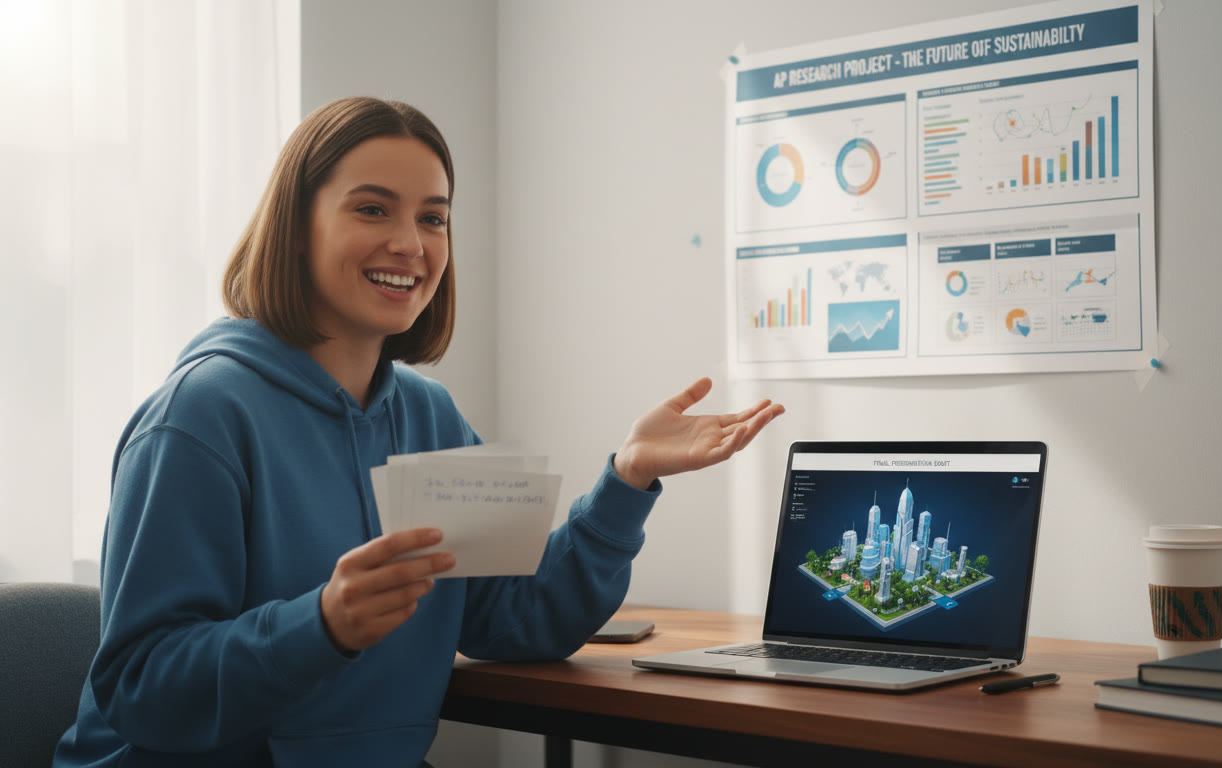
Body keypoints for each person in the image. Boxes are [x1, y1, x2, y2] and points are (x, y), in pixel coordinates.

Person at [53, 97, 784, 767]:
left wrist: (627, 479)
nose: (411, 243)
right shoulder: (199, 417)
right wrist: (322, 624)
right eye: (373, 210)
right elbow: (141, 686)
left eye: (433, 218)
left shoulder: (430, 416)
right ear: (298, 230)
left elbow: (511, 620)